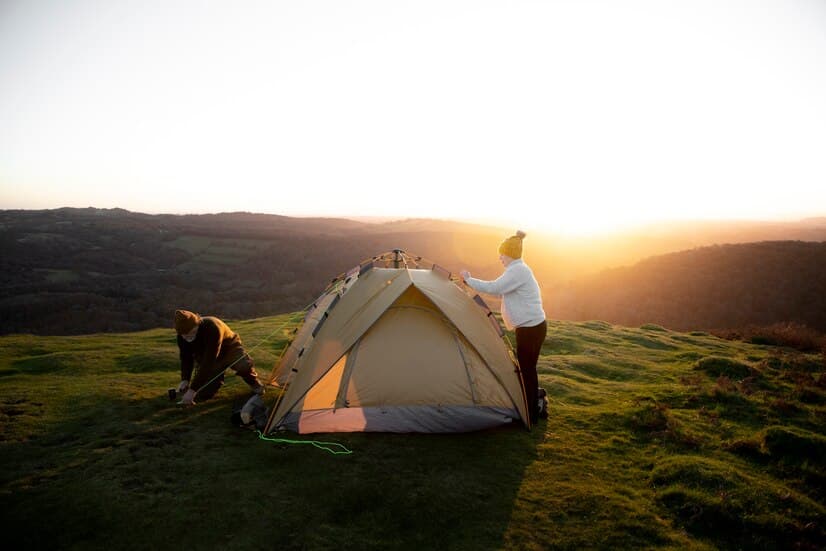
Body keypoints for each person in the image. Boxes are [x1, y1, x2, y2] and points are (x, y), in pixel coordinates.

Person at [460, 231, 547, 424]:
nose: (499, 257)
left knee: (527, 369)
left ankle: (532, 412)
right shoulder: (518, 270)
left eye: (502, 254)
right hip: (533, 327)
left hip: (530, 329)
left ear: (509, 253)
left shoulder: (518, 271)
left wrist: (468, 279)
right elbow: (500, 290)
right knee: (528, 369)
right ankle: (534, 402)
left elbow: (495, 288)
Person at [173, 309, 264, 405]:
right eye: (185, 336)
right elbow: (186, 358)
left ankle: (254, 383)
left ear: (198, 324)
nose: (189, 338)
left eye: (192, 333)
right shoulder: (181, 337)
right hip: (206, 355)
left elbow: (208, 361)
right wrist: (185, 379)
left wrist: (192, 390)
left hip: (230, 349)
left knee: (243, 365)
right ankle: (215, 380)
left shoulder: (212, 327)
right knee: (204, 394)